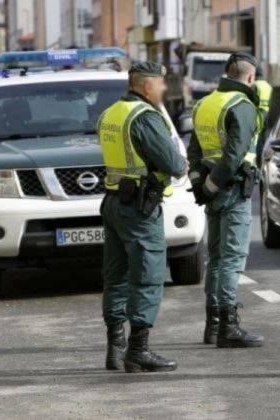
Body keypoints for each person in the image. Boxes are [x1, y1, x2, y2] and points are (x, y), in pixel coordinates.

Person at [98, 61, 187, 373]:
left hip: (113, 203)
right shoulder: (145, 117)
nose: (163, 88)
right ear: (147, 85)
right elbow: (174, 162)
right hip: (139, 207)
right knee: (147, 275)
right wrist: (179, 164)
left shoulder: (111, 113)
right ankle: (139, 350)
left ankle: (115, 346)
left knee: (116, 277)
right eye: (161, 83)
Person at [187, 52, 264, 348]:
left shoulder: (204, 103)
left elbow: (193, 149)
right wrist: (213, 184)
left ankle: (213, 325)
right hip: (231, 189)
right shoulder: (241, 105)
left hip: (211, 192)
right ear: (250, 77)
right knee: (232, 258)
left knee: (216, 259)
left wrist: (201, 185)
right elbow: (234, 154)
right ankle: (228, 327)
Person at [254, 65, 273, 167]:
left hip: (257, 114)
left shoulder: (254, 85)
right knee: (264, 140)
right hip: (267, 114)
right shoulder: (268, 85)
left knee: (256, 140)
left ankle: (257, 162)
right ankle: (263, 161)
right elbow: (271, 102)